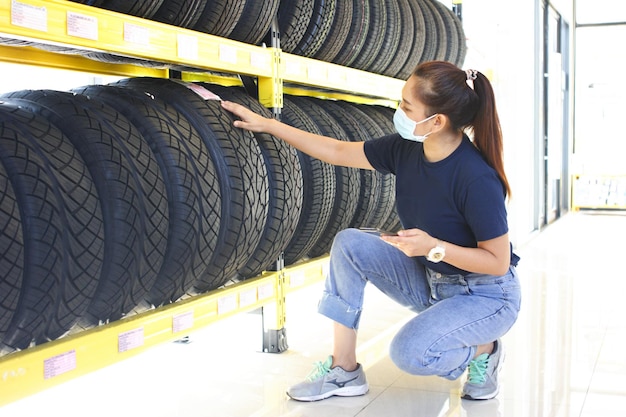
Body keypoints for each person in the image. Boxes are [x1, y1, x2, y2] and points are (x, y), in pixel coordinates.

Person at [220, 60, 521, 402]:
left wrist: (434, 247)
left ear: (436, 121)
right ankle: (344, 370)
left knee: (409, 353)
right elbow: (336, 151)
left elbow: (497, 263)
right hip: (433, 280)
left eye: (407, 106)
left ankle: (485, 349)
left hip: (485, 295)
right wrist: (270, 126)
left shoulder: (475, 177)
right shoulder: (406, 148)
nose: (399, 111)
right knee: (350, 244)